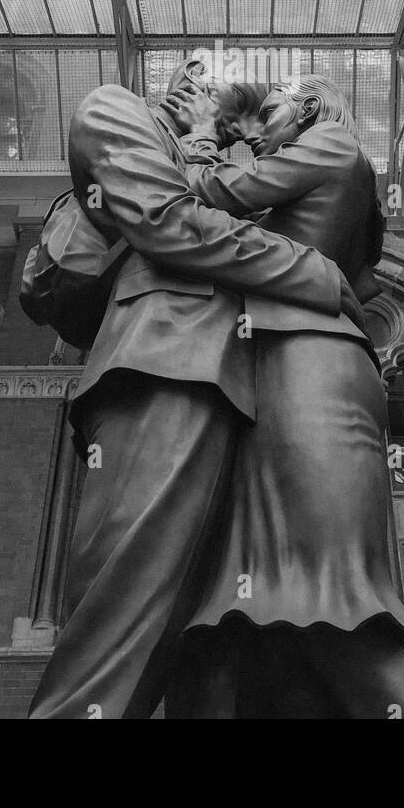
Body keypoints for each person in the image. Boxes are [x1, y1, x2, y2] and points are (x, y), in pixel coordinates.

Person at [28, 61, 366, 719]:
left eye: (253, 119)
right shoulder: (114, 113)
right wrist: (309, 270)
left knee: (215, 645)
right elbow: (72, 274)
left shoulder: (239, 172)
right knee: (119, 617)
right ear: (183, 91)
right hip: (165, 371)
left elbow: (206, 218)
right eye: (226, 106)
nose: (246, 133)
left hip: (249, 396)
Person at [162, 74, 404, 719]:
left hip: (310, 365)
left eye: (266, 113)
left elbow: (205, 198)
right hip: (280, 369)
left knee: (328, 617)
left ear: (309, 107)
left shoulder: (331, 147)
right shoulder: (320, 176)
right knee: (254, 627)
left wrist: (198, 136)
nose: (253, 129)